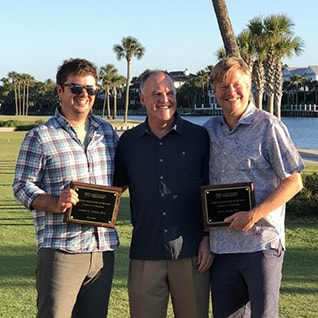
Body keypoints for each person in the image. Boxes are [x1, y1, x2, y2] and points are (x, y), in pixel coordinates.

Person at [13, 58, 119, 318]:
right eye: (76, 88)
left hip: (102, 249)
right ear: (60, 90)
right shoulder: (40, 135)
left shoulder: (106, 132)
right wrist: (53, 202)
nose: (84, 95)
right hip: (62, 249)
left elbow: (119, 178)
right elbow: (22, 185)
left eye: (91, 89)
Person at [203, 56, 305, 318]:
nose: (231, 92)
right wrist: (205, 236)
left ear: (248, 86)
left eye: (237, 84)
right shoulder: (208, 131)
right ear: (214, 91)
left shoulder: (268, 126)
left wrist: (254, 214)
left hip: (262, 245)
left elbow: (294, 181)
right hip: (222, 248)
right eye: (223, 86)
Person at [113, 70, 213, 318]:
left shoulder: (199, 138)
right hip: (145, 252)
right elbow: (114, 191)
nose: (164, 99)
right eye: (156, 93)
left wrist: (208, 237)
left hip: (191, 253)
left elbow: (210, 191)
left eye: (170, 93)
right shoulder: (128, 142)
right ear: (143, 98)